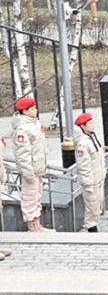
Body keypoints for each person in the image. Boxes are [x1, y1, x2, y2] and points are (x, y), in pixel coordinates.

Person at [11, 97, 53, 232]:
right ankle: (32, 225)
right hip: (31, 170)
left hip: (38, 168)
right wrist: (27, 172)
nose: (36, 110)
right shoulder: (22, 129)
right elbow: (23, 154)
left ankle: (38, 223)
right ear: (25, 111)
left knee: (37, 196)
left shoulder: (34, 123)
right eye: (33, 109)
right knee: (30, 197)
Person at [74, 113, 106, 233]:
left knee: (98, 205)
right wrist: (87, 183)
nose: (93, 125)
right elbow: (83, 165)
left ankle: (93, 225)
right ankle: (91, 228)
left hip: (98, 177)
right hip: (91, 180)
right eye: (90, 123)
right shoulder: (83, 143)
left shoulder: (92, 138)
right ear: (83, 126)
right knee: (92, 206)